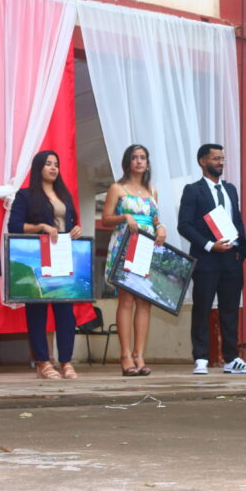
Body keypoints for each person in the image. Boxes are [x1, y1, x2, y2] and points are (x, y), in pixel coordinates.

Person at [177, 143, 246, 375]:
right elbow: (184, 225)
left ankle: (231, 359)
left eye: (222, 158)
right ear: (202, 161)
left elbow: (237, 222)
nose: (220, 162)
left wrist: (242, 250)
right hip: (206, 259)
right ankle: (201, 357)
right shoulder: (193, 190)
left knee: (230, 309)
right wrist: (211, 245)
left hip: (231, 259)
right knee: (202, 307)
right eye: (215, 158)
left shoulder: (231, 189)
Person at [8, 150, 84, 379]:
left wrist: (76, 230)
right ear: (39, 167)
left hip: (63, 254)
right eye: (48, 164)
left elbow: (71, 222)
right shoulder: (25, 195)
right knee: (37, 309)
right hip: (38, 256)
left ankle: (66, 361)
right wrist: (41, 226)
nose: (53, 168)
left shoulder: (64, 195)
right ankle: (42, 361)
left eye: (56, 164)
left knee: (65, 311)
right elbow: (14, 226)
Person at [101, 144, 167, 377]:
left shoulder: (152, 191)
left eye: (143, 158)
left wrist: (160, 228)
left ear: (147, 163)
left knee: (145, 302)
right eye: (134, 157)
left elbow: (155, 219)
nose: (139, 161)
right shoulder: (117, 188)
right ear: (127, 162)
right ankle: (125, 355)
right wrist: (125, 216)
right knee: (126, 301)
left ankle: (140, 355)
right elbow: (106, 219)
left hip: (146, 248)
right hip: (124, 245)